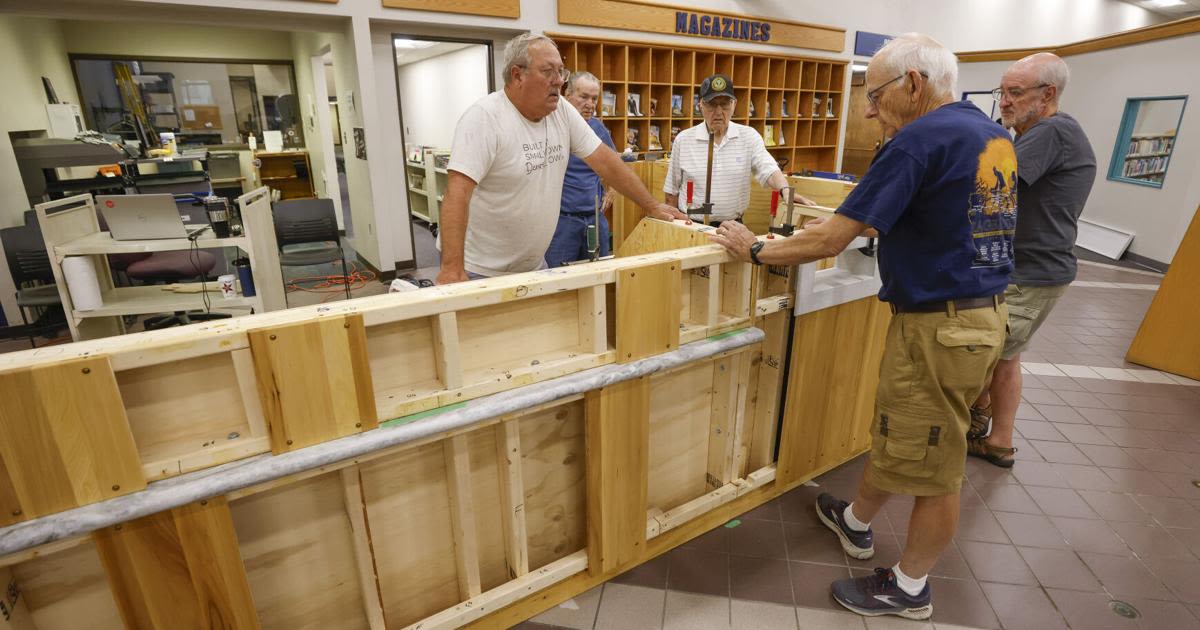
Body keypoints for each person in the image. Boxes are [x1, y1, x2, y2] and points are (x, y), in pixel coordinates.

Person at [710, 34, 1016, 620]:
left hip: (939, 325)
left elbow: (830, 238)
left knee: (936, 463)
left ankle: (909, 588)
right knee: (902, 429)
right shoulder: (987, 131)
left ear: (914, 85)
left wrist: (755, 251)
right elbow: (948, 213)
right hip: (979, 317)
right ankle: (854, 520)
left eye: (874, 96)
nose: (870, 110)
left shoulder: (917, 140)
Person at [437, 34, 687, 284]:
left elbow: (606, 161)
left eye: (561, 71)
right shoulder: (484, 119)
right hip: (479, 269)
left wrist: (652, 206)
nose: (558, 81)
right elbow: (457, 195)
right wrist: (451, 268)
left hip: (534, 266)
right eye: (548, 71)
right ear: (517, 75)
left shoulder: (561, 112)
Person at [967, 53, 1097, 467]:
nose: (1004, 101)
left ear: (1048, 95)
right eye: (1001, 92)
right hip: (1032, 267)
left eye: (1015, 93)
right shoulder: (1040, 133)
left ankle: (995, 438)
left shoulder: (1050, 132)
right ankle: (989, 427)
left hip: (1030, 271)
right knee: (1004, 353)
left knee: (994, 355)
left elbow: (991, 189)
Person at [664, 74, 803, 227]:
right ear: (700, 105)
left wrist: (785, 190)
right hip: (692, 225)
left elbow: (768, 168)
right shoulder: (683, 140)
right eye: (711, 104)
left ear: (734, 105)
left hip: (733, 226)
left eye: (724, 104)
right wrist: (674, 228)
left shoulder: (748, 136)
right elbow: (671, 192)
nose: (718, 112)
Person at [545, 71, 615, 267]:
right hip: (562, 221)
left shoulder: (598, 128)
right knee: (559, 278)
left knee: (599, 274)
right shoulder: (550, 125)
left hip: (594, 217)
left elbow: (613, 163)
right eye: (583, 97)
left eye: (594, 98)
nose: (590, 104)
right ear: (567, 96)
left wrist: (612, 190)